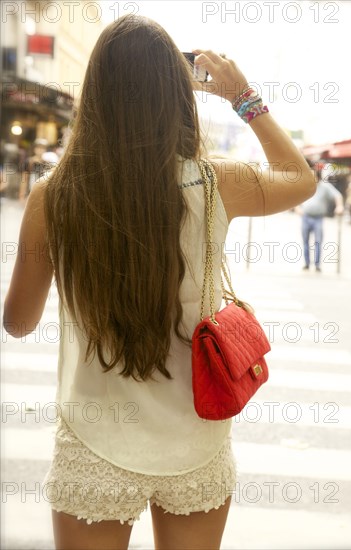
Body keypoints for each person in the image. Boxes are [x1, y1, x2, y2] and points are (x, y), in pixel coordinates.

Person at [3, 15, 315, 550]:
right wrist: (244, 98)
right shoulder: (218, 182)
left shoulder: (54, 196)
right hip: (195, 439)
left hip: (94, 440)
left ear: (95, 93)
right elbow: (301, 179)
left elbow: (18, 322)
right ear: (177, 94)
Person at [297, 163, 344, 272]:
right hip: (306, 217)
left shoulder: (325, 186)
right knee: (305, 241)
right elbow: (295, 197)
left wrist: (339, 206)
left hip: (318, 218)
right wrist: (297, 208)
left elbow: (338, 196)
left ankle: (317, 264)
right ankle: (307, 263)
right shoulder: (305, 185)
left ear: (318, 176)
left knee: (318, 241)